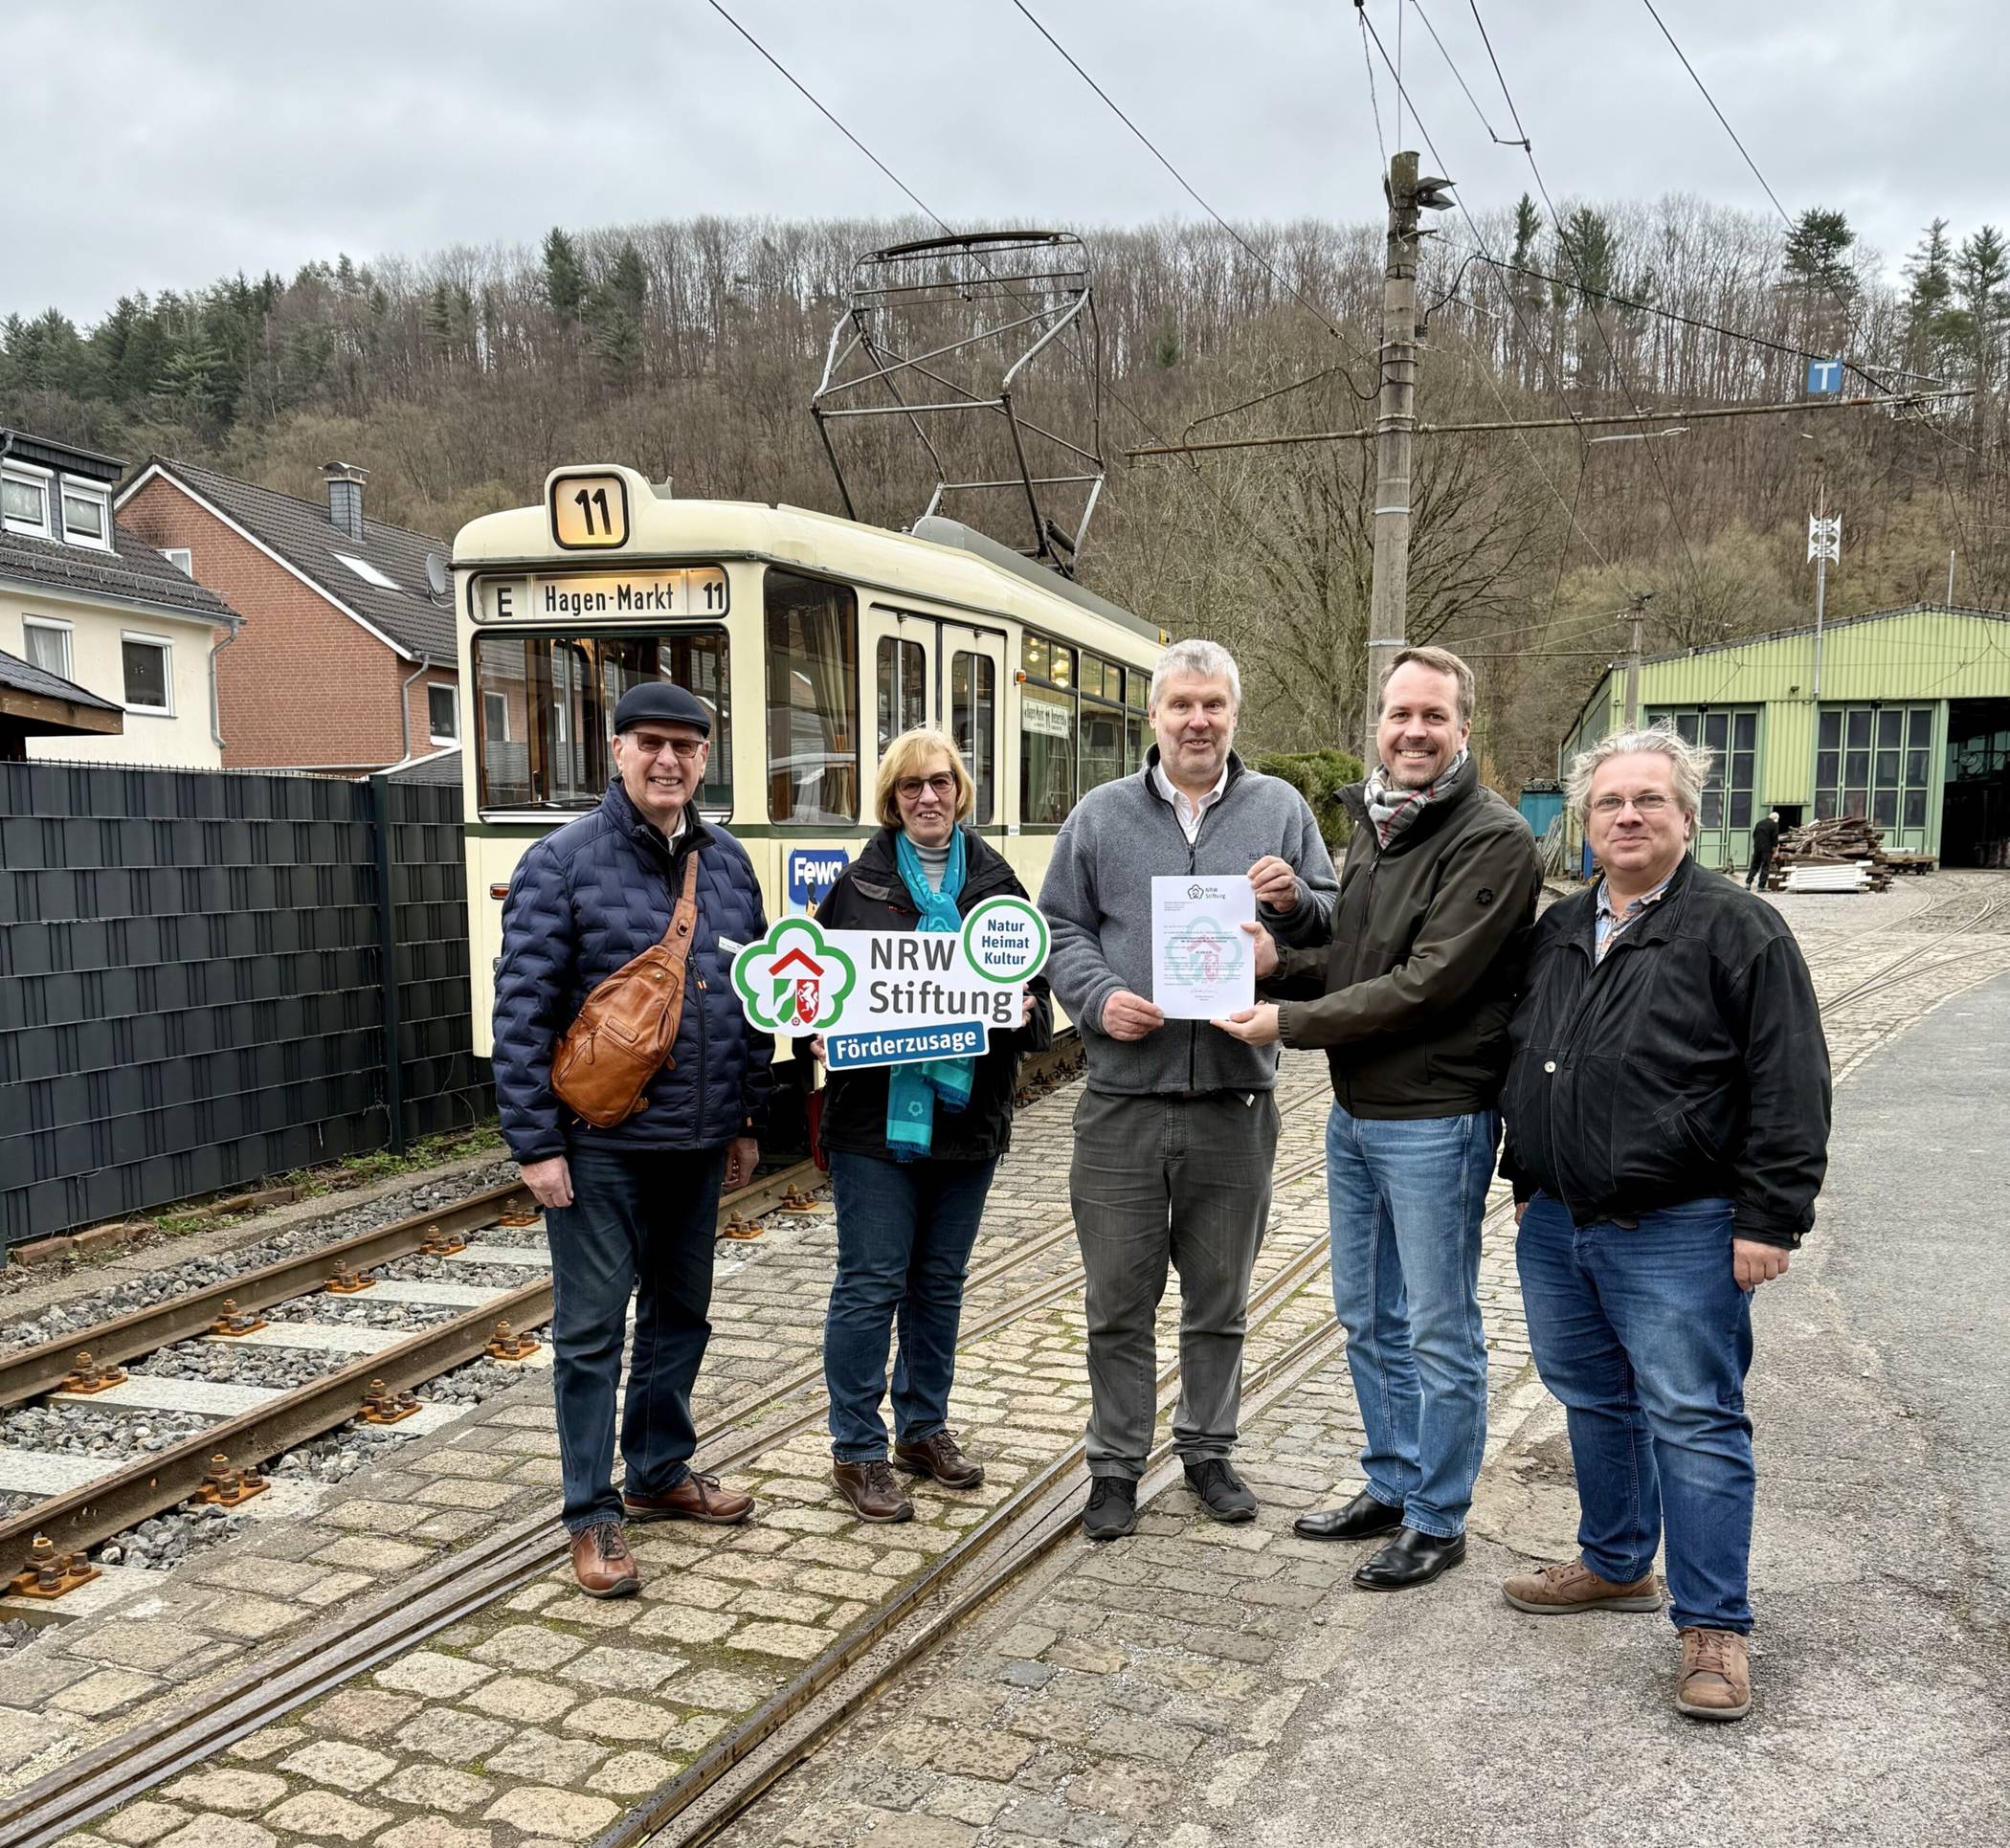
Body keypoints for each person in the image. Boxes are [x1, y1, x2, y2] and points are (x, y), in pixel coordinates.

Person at [1497, 725, 1830, 1721]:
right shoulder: (1561, 927)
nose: (1628, 815)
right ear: (1584, 820)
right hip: (1560, 1219)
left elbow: (1790, 1081)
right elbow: (1530, 1053)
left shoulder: (1740, 928)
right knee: (1592, 1396)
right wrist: (1527, 1173)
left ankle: (1715, 1626)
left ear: (1687, 816)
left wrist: (1769, 1217)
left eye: (1650, 799)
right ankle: (1614, 1561)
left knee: (1693, 1416)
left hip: (1681, 1222)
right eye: (1610, 801)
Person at [1217, 645, 1541, 1591]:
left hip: (1436, 1117)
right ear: (1380, 725)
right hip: (1357, 1114)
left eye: (1433, 716)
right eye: (1400, 714)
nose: (1413, 731)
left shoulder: (1493, 838)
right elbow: (1362, 960)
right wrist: (1282, 964)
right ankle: (1394, 1480)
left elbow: (1427, 984)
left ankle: (1439, 1516)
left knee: (1439, 1326)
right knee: (1366, 1315)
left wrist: (1287, 1019)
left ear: (1463, 729)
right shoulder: (1378, 821)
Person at [1039, 638, 1338, 1542]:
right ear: (1155, 716)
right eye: (1182, 704)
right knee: (1116, 1301)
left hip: (1235, 1103)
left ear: (1234, 715)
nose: (1198, 720)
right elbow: (1059, 927)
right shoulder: (1100, 814)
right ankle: (1114, 1465)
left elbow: (1333, 923)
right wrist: (1098, 998)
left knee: (1220, 1298)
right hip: (1122, 1101)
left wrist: (1289, 912)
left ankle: (1208, 1449)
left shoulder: (1280, 809)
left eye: (1213, 705)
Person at [493, 681, 772, 1598]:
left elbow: (751, 1003)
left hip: (696, 1141)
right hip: (599, 1143)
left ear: (704, 757)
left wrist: (746, 1117)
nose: (667, 760)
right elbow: (522, 1010)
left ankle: (656, 1470)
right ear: (617, 751)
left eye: (685, 746)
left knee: (680, 1314)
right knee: (590, 1331)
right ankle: (591, 1512)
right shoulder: (561, 861)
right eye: (649, 742)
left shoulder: (729, 865)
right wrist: (535, 1145)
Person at [810, 729, 1053, 1522]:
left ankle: (921, 1428)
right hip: (872, 1123)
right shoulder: (859, 886)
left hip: (967, 1119)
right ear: (893, 797)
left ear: (959, 790)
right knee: (872, 1280)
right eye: (911, 785)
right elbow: (815, 992)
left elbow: (1039, 1008)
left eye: (940, 782)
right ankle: (856, 1448)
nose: (927, 797)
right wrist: (818, 1030)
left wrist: (1020, 1011)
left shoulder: (996, 883)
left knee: (939, 1280)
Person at [1746, 809, 1782, 890]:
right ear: (1775, 818)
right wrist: (1775, 848)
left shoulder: (1760, 823)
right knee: (1765, 866)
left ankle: (1748, 883)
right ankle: (1761, 886)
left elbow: (1754, 834)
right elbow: (1774, 837)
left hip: (1757, 848)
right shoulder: (1774, 825)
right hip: (1767, 849)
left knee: (1754, 865)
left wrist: (1757, 844)